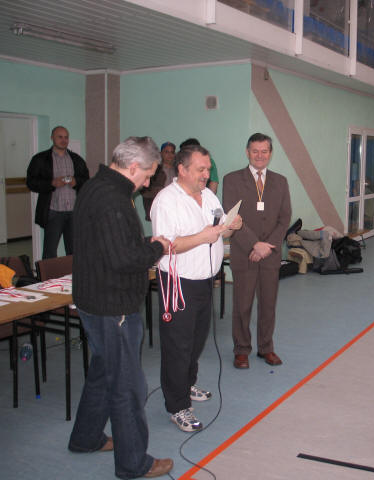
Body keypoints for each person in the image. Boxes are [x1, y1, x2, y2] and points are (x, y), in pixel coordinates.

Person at [68, 136, 173, 479]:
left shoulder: (94, 187)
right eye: (147, 175)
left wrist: (144, 243)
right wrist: (156, 249)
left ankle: (86, 437)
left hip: (93, 299)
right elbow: (124, 259)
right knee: (127, 386)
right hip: (112, 305)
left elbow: (111, 245)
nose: (147, 183)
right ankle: (133, 463)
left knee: (103, 371)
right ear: (133, 166)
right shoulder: (114, 199)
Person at [151, 144, 242, 432]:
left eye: (208, 169)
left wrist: (232, 226)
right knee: (178, 345)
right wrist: (203, 237)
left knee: (196, 339)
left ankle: (186, 384)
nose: (206, 174)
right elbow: (166, 246)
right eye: (200, 169)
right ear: (182, 169)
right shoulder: (166, 201)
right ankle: (177, 406)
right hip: (178, 282)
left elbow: (219, 230)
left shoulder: (209, 196)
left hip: (205, 280)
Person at [223, 133, 291, 369]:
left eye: (264, 151)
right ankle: (241, 350)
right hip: (244, 253)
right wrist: (254, 244)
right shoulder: (232, 180)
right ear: (247, 152)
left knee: (268, 304)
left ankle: (266, 348)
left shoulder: (281, 182)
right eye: (255, 151)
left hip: (270, 255)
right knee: (242, 305)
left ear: (270, 154)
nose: (259, 155)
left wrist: (267, 247)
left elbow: (284, 219)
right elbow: (232, 218)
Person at [26, 125, 90, 259]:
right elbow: (31, 182)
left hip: (74, 212)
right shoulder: (40, 159)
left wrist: (76, 181)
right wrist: (51, 183)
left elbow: (86, 180)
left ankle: (73, 273)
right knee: (49, 252)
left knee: (74, 251)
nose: (63, 140)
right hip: (53, 212)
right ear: (52, 138)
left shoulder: (76, 159)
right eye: (60, 137)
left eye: (66, 137)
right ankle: (48, 273)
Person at [141, 141, 176, 220]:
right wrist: (160, 191)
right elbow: (144, 190)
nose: (170, 155)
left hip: (174, 208)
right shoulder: (154, 170)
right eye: (166, 152)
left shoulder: (178, 170)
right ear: (161, 153)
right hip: (159, 208)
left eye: (172, 152)